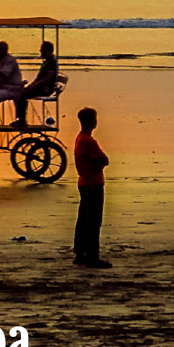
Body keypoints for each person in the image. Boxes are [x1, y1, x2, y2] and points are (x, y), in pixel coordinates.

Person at [73, 107, 111, 269]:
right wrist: (99, 163)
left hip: (85, 182)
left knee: (83, 220)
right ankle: (92, 256)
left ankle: (80, 253)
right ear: (93, 122)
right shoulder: (89, 141)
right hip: (92, 183)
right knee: (93, 221)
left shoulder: (80, 138)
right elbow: (104, 159)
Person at [15, 40, 59, 126]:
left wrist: (34, 86)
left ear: (48, 50)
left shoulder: (51, 62)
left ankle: (22, 120)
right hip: (41, 87)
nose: (40, 51)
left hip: (45, 89)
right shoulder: (46, 62)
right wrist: (31, 85)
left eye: (42, 49)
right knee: (21, 92)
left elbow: (47, 79)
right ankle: (20, 118)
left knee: (23, 95)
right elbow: (39, 78)